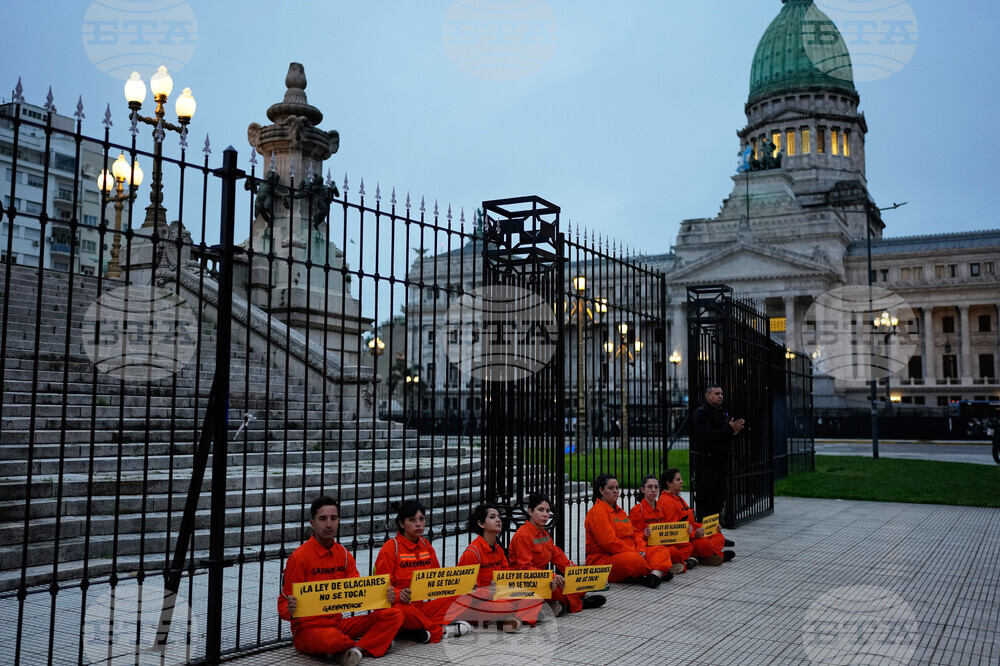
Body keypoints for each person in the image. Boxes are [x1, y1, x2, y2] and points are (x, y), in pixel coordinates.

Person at [278, 496, 405, 665]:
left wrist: (385, 596)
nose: (329, 524)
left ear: (338, 521)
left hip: (338, 623)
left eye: (333, 518)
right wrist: (290, 609)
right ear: (312, 523)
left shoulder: (344, 555)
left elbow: (359, 593)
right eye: (323, 519)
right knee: (333, 639)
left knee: (394, 614)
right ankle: (367, 644)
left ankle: (355, 650)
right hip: (309, 629)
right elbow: (283, 605)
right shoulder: (299, 557)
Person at [373, 500, 471, 644]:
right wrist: (400, 595)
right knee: (402, 612)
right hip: (398, 608)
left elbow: (437, 581)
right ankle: (440, 631)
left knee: (464, 598)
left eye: (421, 519)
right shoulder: (390, 548)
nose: (418, 524)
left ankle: (415, 630)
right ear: (401, 524)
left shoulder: (426, 545)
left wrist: (461, 583)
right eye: (412, 520)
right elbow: (379, 588)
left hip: (419, 609)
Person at [509, 492, 607, 616]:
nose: (545, 515)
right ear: (530, 511)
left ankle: (558, 604)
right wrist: (553, 576)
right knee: (559, 589)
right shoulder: (522, 535)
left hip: (544, 581)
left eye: (547, 511)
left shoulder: (544, 534)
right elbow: (526, 570)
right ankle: (580, 604)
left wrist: (579, 575)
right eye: (540, 510)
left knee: (579, 585)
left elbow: (560, 559)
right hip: (526, 583)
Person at [450, 503, 542, 632]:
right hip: (475, 605)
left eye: (499, 516)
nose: (499, 520)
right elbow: (464, 591)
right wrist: (489, 592)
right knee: (502, 606)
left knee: (533, 595)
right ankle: (516, 617)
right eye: (493, 517)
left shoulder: (498, 550)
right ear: (481, 524)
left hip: (498, 597)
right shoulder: (472, 553)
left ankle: (511, 619)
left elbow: (506, 579)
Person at [584, 474, 673, 587]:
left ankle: (653, 577)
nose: (615, 491)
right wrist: (634, 552)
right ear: (601, 490)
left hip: (629, 552)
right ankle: (658, 571)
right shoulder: (597, 512)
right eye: (611, 488)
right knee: (636, 561)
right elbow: (608, 543)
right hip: (604, 559)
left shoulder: (619, 510)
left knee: (661, 550)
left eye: (617, 488)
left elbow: (635, 533)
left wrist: (641, 548)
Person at [658, 468, 735, 566]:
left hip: (691, 535)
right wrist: (694, 535)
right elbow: (674, 531)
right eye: (678, 480)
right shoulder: (666, 501)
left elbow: (691, 523)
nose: (682, 482)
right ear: (669, 483)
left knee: (718, 537)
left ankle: (701, 557)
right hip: (683, 542)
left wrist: (710, 528)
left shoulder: (677, 497)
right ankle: (719, 556)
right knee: (704, 543)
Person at [690, 383, 744, 522]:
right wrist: (728, 430)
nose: (720, 396)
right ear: (707, 396)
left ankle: (715, 533)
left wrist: (733, 432)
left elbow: (723, 434)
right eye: (716, 393)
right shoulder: (701, 413)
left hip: (721, 462)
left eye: (721, 393)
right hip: (707, 464)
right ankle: (705, 534)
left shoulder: (721, 412)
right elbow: (707, 436)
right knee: (706, 500)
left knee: (718, 500)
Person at [628, 475, 693, 574]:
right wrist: (644, 535)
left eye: (656, 487)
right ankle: (677, 565)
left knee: (686, 546)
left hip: (662, 545)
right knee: (669, 552)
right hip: (646, 547)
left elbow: (668, 530)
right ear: (642, 489)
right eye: (649, 487)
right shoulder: (637, 510)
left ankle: (671, 564)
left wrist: (684, 531)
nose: (653, 490)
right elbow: (634, 535)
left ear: (659, 489)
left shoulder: (661, 509)